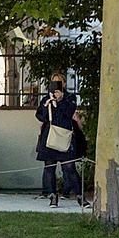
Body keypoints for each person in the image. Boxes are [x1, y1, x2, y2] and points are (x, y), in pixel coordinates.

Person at [36, 76, 85, 208]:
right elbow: (39, 115)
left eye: (60, 81)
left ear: (64, 83)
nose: (57, 84)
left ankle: (80, 196)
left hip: (64, 135)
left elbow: (69, 113)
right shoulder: (46, 98)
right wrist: (49, 105)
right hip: (50, 135)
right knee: (49, 167)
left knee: (69, 167)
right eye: (54, 81)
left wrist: (61, 100)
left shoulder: (70, 98)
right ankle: (52, 196)